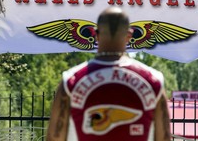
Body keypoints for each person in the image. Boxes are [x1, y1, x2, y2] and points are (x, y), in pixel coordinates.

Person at [47, 7, 171, 141]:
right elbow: (164, 138)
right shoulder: (153, 81)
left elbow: (54, 138)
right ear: (129, 35)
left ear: (96, 35)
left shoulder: (71, 81)